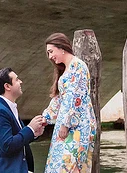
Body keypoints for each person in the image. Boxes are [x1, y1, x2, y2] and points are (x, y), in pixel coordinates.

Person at [42, 33, 97, 173]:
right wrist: (45, 117)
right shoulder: (66, 69)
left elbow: (75, 97)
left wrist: (66, 123)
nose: (50, 57)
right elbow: (61, 99)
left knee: (70, 166)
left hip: (77, 126)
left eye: (51, 51)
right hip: (68, 125)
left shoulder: (77, 66)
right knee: (61, 165)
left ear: (61, 48)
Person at [0, 67, 45, 173]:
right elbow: (8, 145)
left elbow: (18, 137)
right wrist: (30, 129)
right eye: (17, 80)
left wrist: (34, 133)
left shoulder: (8, 107)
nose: (21, 82)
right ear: (7, 86)